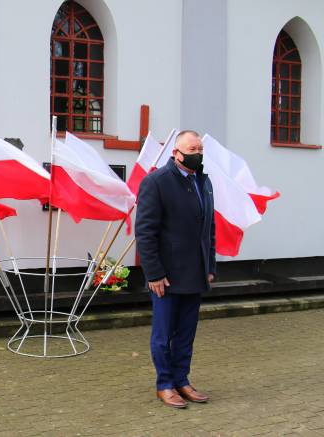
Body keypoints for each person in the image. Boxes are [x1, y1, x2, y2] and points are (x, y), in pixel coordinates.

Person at [135, 130, 216, 409]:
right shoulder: (156, 182)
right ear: (176, 153)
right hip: (166, 276)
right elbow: (145, 232)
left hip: (195, 273)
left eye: (201, 149)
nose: (198, 154)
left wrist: (210, 265)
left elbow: (209, 229)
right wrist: (154, 273)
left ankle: (182, 380)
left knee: (186, 333)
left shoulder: (203, 182)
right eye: (193, 149)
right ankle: (165, 384)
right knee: (163, 334)